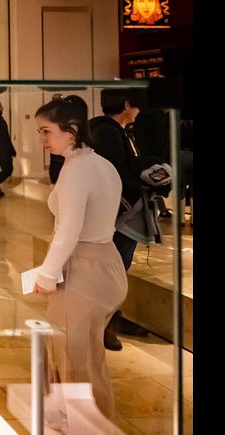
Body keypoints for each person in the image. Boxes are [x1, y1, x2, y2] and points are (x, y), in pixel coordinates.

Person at [33, 95, 126, 435]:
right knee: (82, 353)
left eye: (46, 131)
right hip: (106, 263)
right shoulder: (101, 165)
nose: (42, 139)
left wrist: (47, 273)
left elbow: (69, 230)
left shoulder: (76, 171)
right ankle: (71, 420)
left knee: (79, 360)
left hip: (84, 267)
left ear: (71, 131)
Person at [89, 88, 147, 350]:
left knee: (116, 270)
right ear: (126, 104)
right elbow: (115, 175)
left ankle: (111, 317)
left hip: (117, 213)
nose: (139, 111)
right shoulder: (108, 132)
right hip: (117, 215)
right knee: (113, 270)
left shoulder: (112, 131)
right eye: (136, 106)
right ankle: (104, 323)